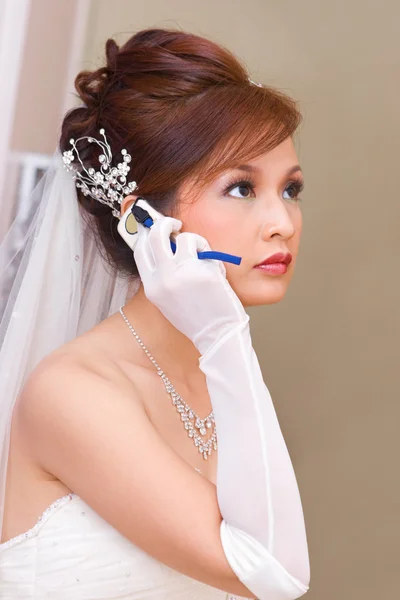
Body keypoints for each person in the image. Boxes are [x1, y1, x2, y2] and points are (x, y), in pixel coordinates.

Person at [0, 28, 310, 600]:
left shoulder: (221, 381)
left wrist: (224, 346)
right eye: (242, 188)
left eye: (291, 190)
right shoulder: (72, 393)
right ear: (144, 220)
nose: (283, 224)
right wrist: (223, 332)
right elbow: (273, 575)